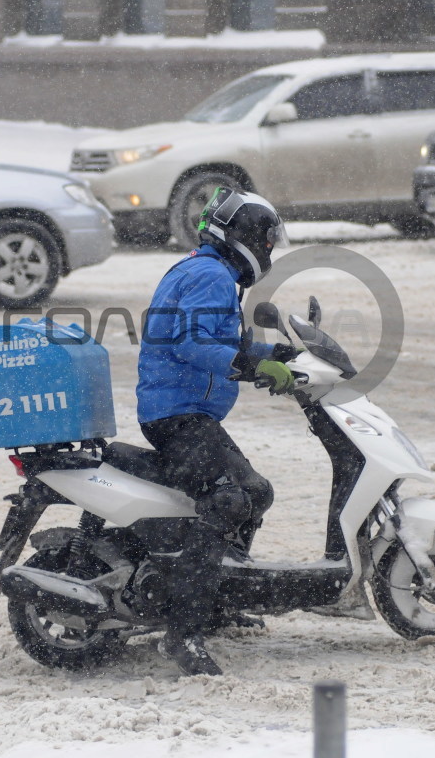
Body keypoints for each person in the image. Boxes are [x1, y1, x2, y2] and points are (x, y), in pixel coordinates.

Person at [137, 186, 296, 677]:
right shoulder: (209, 275)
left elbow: (225, 339)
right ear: (243, 234)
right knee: (230, 498)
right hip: (176, 416)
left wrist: (274, 358)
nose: (269, 248)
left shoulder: (212, 273)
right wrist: (248, 365)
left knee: (257, 492)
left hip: (188, 414)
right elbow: (192, 343)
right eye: (266, 238)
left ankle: (218, 600)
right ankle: (184, 630)